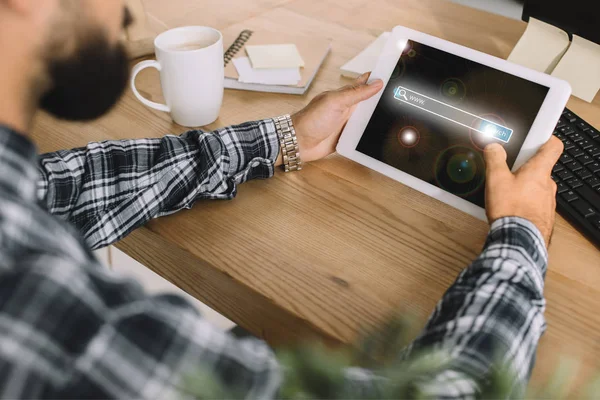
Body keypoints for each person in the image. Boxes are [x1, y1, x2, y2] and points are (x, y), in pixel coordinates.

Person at [0, 0, 564, 398]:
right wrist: (520, 235)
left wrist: (278, 140)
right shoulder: (45, 317)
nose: (125, 12)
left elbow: (63, 187)